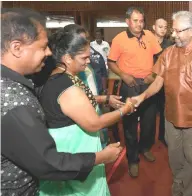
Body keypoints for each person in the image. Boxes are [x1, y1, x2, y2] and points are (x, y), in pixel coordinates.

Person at [1, 8, 122, 196]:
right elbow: (48, 163)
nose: (49, 53)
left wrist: (103, 98)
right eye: (42, 47)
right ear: (16, 48)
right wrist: (99, 158)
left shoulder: (17, 83)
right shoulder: (14, 98)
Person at [132, 11, 192, 196]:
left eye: (178, 31)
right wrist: (142, 97)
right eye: (174, 31)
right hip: (171, 116)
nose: (174, 35)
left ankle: (187, 190)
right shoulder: (168, 53)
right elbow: (157, 82)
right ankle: (181, 181)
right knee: (174, 157)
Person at [38, 29, 136, 195]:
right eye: (84, 57)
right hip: (75, 151)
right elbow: (94, 124)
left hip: (73, 150)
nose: (88, 61)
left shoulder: (63, 75)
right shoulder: (66, 87)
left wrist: (105, 99)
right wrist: (124, 110)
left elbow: (83, 100)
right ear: (67, 58)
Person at [107, 7, 162, 177]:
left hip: (148, 84)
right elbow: (111, 62)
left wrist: (153, 74)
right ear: (127, 21)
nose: (139, 24)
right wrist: (123, 75)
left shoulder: (150, 36)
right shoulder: (119, 39)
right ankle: (132, 160)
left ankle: (145, 148)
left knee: (149, 122)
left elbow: (160, 57)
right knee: (130, 125)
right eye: (135, 20)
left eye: (141, 20)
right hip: (129, 84)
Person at [153, 18, 173, 146]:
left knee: (165, 111)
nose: (163, 29)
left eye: (165, 27)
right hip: (148, 82)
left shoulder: (170, 44)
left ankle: (163, 136)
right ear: (154, 27)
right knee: (149, 114)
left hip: (165, 83)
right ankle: (147, 143)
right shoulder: (147, 42)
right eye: (160, 26)